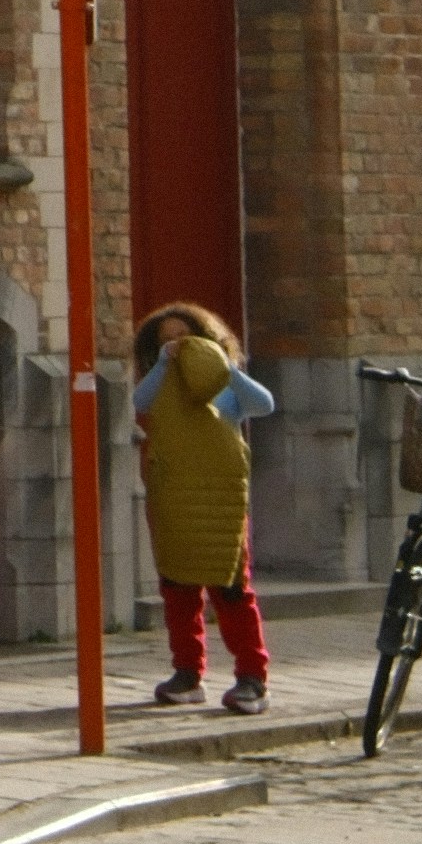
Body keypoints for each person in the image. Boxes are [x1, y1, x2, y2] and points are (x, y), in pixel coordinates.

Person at [134, 298, 280, 715]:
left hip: (220, 506)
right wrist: (163, 364)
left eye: (184, 337)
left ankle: (252, 677)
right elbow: (140, 402)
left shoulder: (226, 392)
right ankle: (187, 672)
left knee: (232, 591)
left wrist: (226, 368)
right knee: (178, 589)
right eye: (166, 340)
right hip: (175, 501)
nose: (177, 346)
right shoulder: (161, 385)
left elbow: (263, 404)